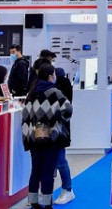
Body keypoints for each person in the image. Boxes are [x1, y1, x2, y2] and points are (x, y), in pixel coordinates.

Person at [22, 63, 73, 209]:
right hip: (51, 138)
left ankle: (33, 200)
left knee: (35, 170)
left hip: (34, 138)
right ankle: (46, 202)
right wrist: (55, 118)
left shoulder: (31, 93)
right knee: (48, 171)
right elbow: (68, 110)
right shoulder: (55, 93)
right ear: (51, 76)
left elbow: (25, 115)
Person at [52, 68, 75, 205]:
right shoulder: (60, 85)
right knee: (55, 160)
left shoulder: (60, 87)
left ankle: (67, 189)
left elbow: (66, 109)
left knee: (60, 160)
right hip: (55, 130)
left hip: (59, 130)